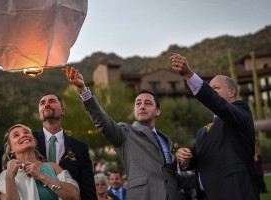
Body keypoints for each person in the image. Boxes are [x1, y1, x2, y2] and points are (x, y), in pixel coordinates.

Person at [63, 67, 195, 200]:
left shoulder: (166, 141)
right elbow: (103, 122)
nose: (142, 106)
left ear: (158, 111)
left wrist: (196, 169)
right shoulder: (125, 132)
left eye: (147, 103)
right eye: (138, 103)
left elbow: (171, 178)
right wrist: (84, 91)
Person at [170, 53, 260, 200]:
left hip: (234, 192)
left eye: (215, 88)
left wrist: (189, 75)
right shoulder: (202, 132)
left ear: (232, 92)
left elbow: (221, 106)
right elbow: (194, 159)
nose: (212, 91)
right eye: (210, 88)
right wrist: (184, 158)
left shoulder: (241, 111)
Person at [0, 94, 97, 200]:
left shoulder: (80, 147)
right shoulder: (26, 141)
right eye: (42, 103)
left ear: (63, 110)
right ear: (39, 113)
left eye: (52, 101)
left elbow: (87, 188)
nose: (46, 105)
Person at [0, 124, 80, 200]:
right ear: (11, 149)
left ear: (34, 141)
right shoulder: (6, 175)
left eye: (26, 132)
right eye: (16, 135)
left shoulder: (53, 167)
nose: (23, 135)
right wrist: (10, 177)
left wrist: (40, 175)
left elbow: (75, 196)